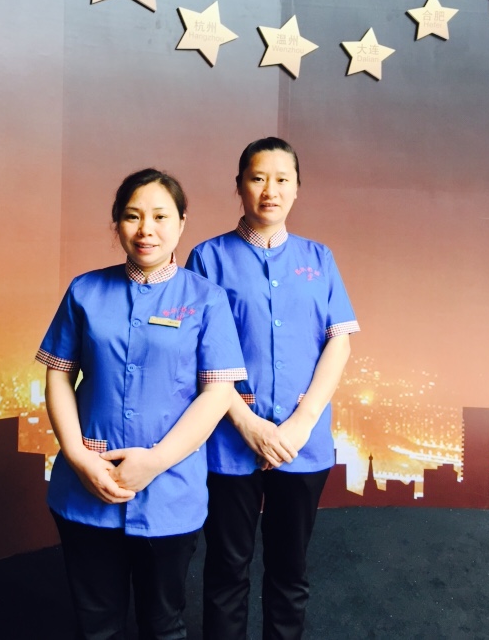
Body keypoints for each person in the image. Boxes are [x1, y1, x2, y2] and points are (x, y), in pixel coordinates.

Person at [35, 167, 247, 640]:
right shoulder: (85, 290)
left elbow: (217, 394)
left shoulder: (206, 299)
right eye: (132, 216)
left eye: (159, 216)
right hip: (86, 485)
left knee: (163, 624)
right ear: (117, 223)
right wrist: (77, 457)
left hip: (170, 489)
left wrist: (154, 462)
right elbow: (59, 374)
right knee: (96, 624)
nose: (145, 229)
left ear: (182, 222)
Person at [186, 137, 360, 640]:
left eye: (283, 180)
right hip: (228, 440)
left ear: (297, 188)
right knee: (226, 570)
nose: (271, 190)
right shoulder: (208, 258)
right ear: (239, 186)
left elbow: (339, 342)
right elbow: (198, 352)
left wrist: (301, 423)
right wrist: (248, 425)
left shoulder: (319, 258)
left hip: (303, 443)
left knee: (289, 570)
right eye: (258, 178)